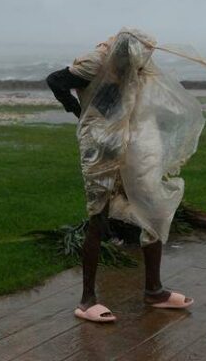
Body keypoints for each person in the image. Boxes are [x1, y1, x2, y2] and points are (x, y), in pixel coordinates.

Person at [46, 29, 195, 323]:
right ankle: (87, 299)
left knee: (151, 209)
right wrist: (79, 112)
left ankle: (155, 290)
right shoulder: (94, 63)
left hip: (130, 141)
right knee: (98, 216)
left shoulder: (139, 63)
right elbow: (55, 80)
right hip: (99, 145)